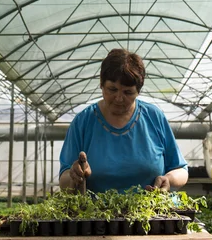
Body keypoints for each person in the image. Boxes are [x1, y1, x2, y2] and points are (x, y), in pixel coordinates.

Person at [59, 48, 188, 193]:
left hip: (152, 212)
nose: (119, 98)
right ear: (101, 84)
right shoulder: (83, 122)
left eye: (128, 92)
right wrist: (74, 176)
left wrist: (168, 179)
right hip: (97, 213)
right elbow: (64, 178)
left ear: (138, 91)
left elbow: (181, 170)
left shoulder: (154, 117)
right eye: (112, 89)